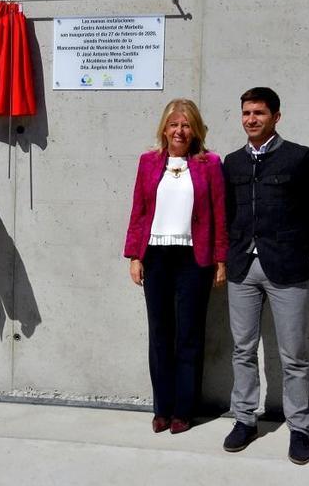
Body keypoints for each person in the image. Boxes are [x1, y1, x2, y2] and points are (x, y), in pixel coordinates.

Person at [222, 87, 309, 465]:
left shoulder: (298, 157)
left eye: (259, 113)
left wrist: (296, 250)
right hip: (242, 268)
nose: (251, 119)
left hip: (286, 268)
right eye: (247, 113)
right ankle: (245, 419)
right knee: (242, 349)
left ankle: (300, 428)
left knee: (293, 354)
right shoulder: (231, 162)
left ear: (276, 117)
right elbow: (227, 212)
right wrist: (230, 253)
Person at [124, 98, 227, 435]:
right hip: (156, 256)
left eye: (186, 125)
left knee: (189, 336)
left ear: (195, 129)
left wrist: (220, 259)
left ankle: (184, 410)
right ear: (164, 129)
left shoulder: (210, 164)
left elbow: (220, 215)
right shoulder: (148, 162)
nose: (179, 131)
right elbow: (139, 210)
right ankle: (162, 408)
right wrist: (135, 256)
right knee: (160, 336)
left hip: (194, 259)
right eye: (174, 124)